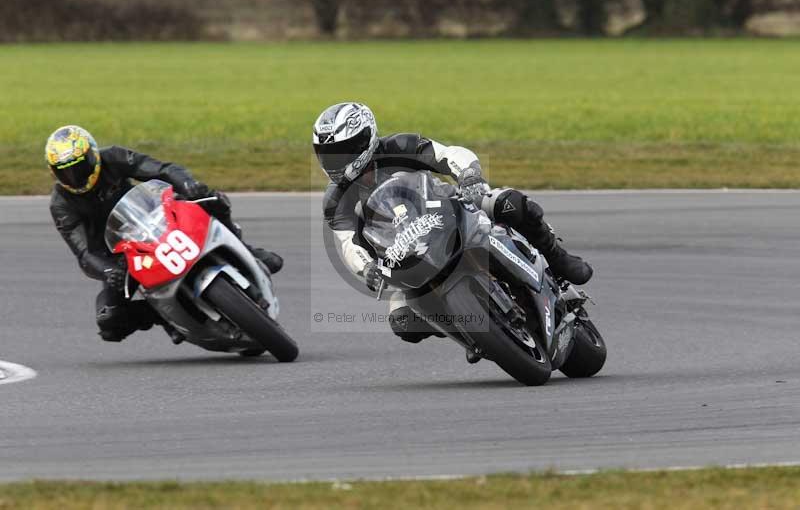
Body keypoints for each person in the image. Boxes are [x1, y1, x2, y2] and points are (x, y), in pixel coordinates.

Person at [312, 102, 593, 345]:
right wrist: (368, 269)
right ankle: (474, 332)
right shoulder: (336, 200)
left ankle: (558, 259)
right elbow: (347, 242)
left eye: (343, 150)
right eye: (327, 154)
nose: (334, 161)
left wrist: (469, 175)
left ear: (365, 140)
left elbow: (448, 155)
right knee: (404, 323)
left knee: (510, 203)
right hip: (405, 256)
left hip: (453, 209)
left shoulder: (399, 146)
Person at [47, 125, 283, 343]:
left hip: (156, 218)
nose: (75, 177)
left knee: (212, 201)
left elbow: (163, 170)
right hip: (122, 255)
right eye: (65, 173)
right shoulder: (61, 204)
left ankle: (245, 251)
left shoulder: (114, 157)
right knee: (109, 321)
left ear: (94, 155)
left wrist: (188, 184)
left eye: (80, 167)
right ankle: (163, 314)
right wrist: (108, 271)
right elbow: (84, 254)